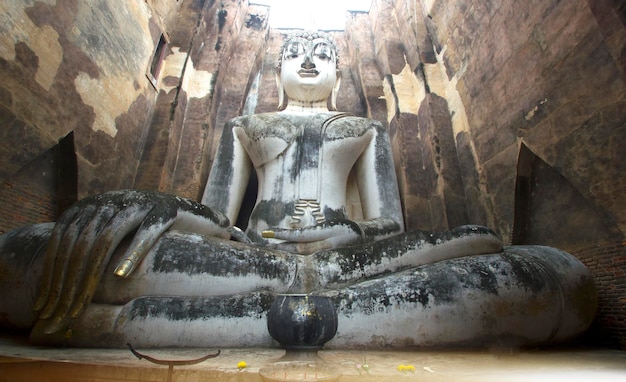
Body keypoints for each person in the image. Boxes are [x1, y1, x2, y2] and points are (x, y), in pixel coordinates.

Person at [0, 31, 596, 348]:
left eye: (322, 54)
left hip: (355, 260)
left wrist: (349, 231)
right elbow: (213, 215)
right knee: (32, 252)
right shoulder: (247, 125)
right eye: (295, 53)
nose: (308, 61)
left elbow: (391, 225)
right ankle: (324, 312)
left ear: (338, 70)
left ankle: (185, 321)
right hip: (248, 257)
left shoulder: (364, 129)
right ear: (275, 68)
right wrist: (160, 208)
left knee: (537, 269)